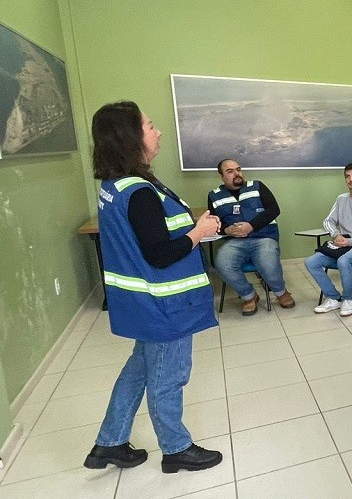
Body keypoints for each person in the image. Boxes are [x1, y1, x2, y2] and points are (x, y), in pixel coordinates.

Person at [83, 101, 223, 474]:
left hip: (143, 301)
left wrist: (192, 226)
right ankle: (176, 448)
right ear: (131, 138)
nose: (157, 131)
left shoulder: (116, 186)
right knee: (168, 375)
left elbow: (148, 236)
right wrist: (199, 232)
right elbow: (160, 253)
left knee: (139, 370)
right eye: (150, 126)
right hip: (164, 304)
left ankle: (109, 442)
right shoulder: (140, 192)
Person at [208, 159, 294, 315]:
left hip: (264, 238)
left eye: (238, 169)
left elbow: (274, 210)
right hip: (234, 242)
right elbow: (214, 225)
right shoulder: (214, 196)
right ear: (222, 176)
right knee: (221, 262)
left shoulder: (257, 186)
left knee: (267, 260)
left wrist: (251, 226)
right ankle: (249, 296)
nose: (237, 173)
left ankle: (281, 292)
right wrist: (226, 231)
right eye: (230, 171)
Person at [304, 163, 352, 317]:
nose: (351, 179)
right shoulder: (341, 199)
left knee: (343, 261)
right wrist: (336, 234)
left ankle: (348, 299)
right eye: (348, 176)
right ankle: (333, 297)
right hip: (342, 245)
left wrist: (350, 242)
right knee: (311, 262)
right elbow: (328, 221)